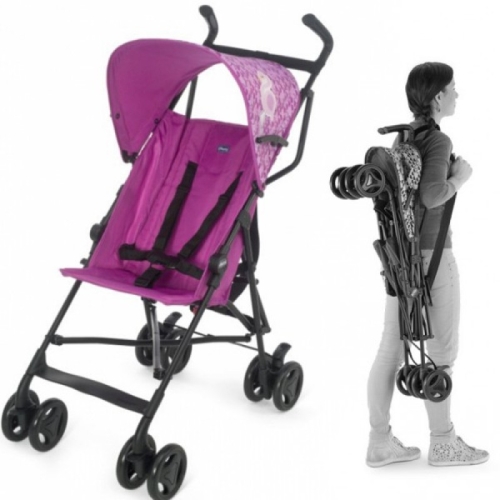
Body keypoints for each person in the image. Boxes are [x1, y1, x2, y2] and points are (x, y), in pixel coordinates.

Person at [365, 62, 489, 467]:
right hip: (434, 256)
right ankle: (443, 442)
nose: (457, 95)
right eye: (453, 89)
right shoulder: (438, 140)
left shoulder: (404, 136)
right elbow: (433, 195)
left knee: (390, 348)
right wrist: (460, 178)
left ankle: (379, 442)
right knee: (441, 352)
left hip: (400, 258)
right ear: (438, 97)